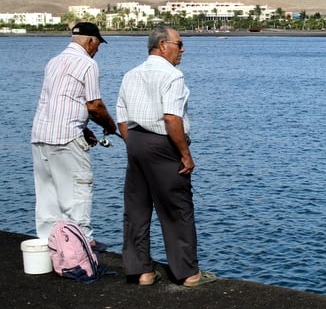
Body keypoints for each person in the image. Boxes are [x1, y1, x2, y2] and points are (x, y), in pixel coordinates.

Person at [116, 26, 216, 287]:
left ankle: (142, 272)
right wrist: (185, 154)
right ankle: (188, 273)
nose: (183, 49)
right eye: (179, 44)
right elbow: (172, 118)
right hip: (163, 143)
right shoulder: (172, 76)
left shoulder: (131, 74)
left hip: (136, 140)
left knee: (136, 208)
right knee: (177, 209)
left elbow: (122, 118)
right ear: (162, 45)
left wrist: (136, 144)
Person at [31, 22, 117, 252]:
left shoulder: (54, 62)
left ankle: (50, 247)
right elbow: (95, 105)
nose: (97, 49)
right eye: (98, 44)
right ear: (90, 41)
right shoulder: (87, 64)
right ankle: (83, 245)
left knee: (48, 196)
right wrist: (109, 125)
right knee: (78, 190)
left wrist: (84, 127)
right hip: (66, 139)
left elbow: (59, 101)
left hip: (41, 136)